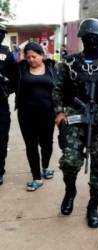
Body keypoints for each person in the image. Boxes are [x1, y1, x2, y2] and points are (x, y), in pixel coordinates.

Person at [52, 18, 98, 228]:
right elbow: (57, 90)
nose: (95, 42)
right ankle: (70, 191)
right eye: (90, 38)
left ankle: (93, 206)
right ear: (82, 39)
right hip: (75, 115)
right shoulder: (69, 62)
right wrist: (59, 114)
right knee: (70, 162)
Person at [14, 42, 56, 191]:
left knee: (47, 144)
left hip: (48, 114)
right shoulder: (20, 69)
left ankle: (45, 167)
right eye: (28, 57)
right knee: (31, 146)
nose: (31, 60)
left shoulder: (51, 67)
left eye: (34, 56)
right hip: (26, 115)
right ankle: (37, 177)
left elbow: (60, 88)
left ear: (42, 55)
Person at [0, 23, 16, 185]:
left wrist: (6, 89)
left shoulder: (8, 54)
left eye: (2, 33)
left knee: (1, 138)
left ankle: (0, 170)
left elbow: (14, 77)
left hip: (1, 103)